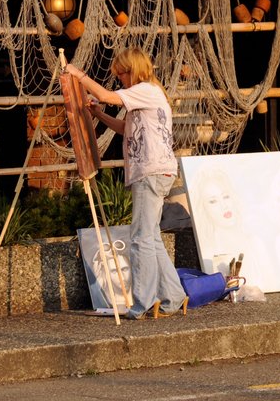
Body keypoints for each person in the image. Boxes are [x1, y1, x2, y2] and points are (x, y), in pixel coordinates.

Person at [66, 48, 188, 319]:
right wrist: (98, 115)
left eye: (121, 73)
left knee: (140, 238)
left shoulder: (145, 89)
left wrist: (79, 75)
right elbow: (125, 128)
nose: (119, 78)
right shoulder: (150, 93)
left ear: (132, 70)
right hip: (160, 171)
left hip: (150, 171)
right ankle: (174, 296)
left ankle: (142, 302)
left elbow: (106, 95)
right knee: (152, 237)